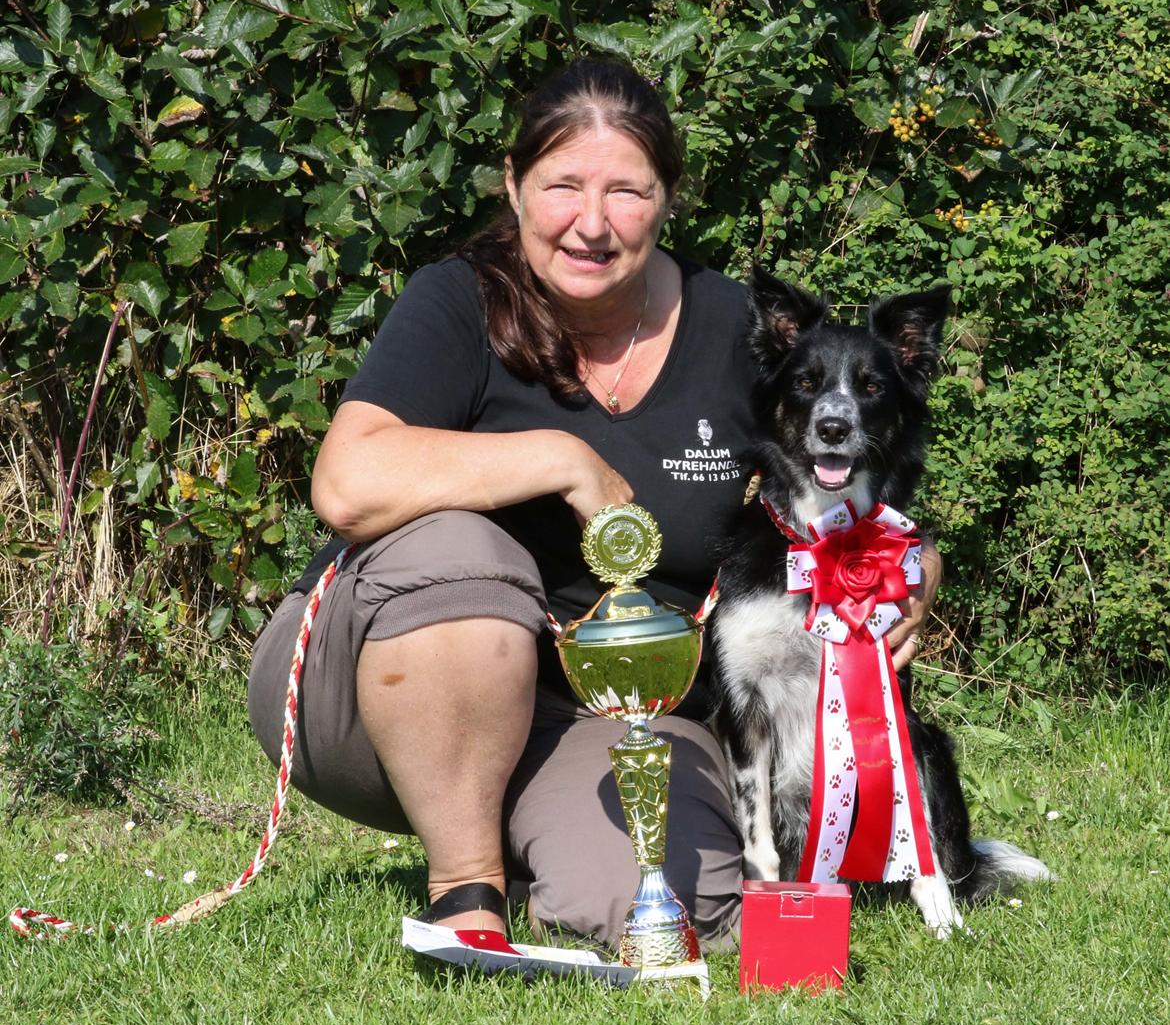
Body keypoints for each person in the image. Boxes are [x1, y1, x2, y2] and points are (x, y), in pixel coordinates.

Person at [248, 59, 939, 947]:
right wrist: (558, 458)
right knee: (463, 547)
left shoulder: (733, 327)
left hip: (613, 715)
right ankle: (466, 886)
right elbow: (345, 483)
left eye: (626, 192)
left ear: (667, 199)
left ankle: (542, 829)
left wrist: (910, 567)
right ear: (514, 184)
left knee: (690, 913)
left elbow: (832, 486)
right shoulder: (455, 302)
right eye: (563, 185)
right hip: (375, 682)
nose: (592, 223)